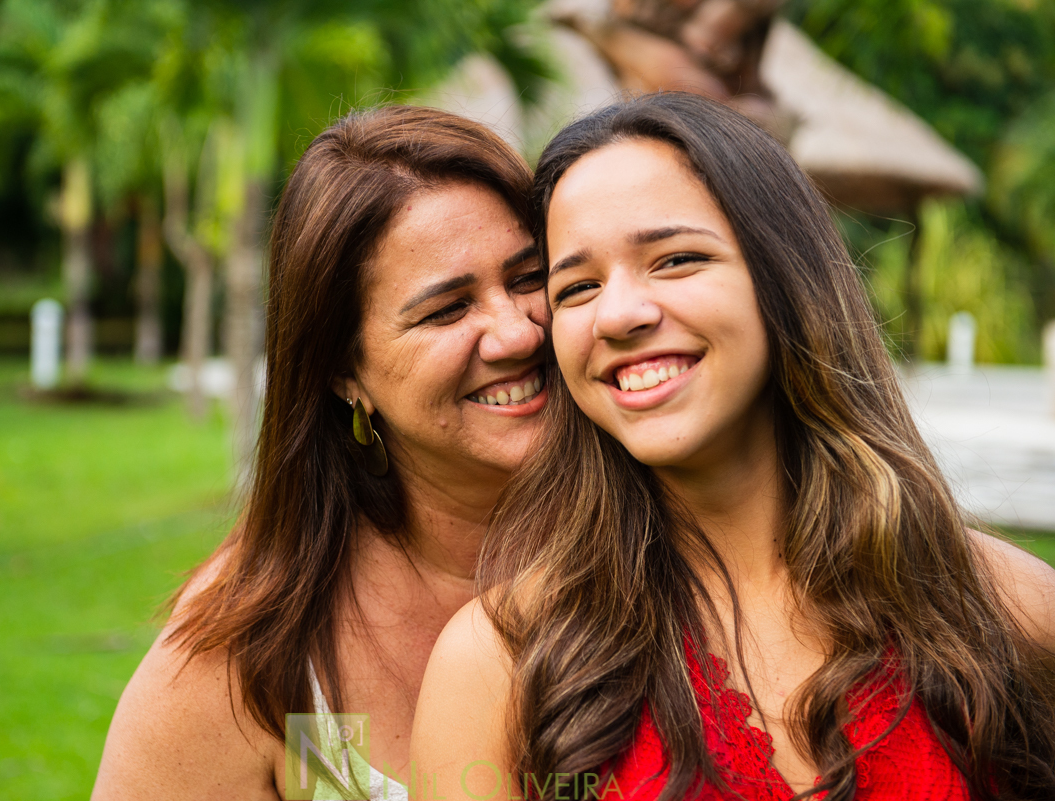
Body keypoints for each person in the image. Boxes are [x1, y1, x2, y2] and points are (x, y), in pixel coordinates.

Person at [413, 93, 1055, 801]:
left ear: (784, 276)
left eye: (676, 258)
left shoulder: (1015, 613)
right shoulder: (501, 666)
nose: (621, 314)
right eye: (578, 286)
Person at [92, 105, 550, 800]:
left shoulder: (681, 545)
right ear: (343, 369)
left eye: (528, 277)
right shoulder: (257, 652)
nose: (516, 332)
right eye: (447, 309)